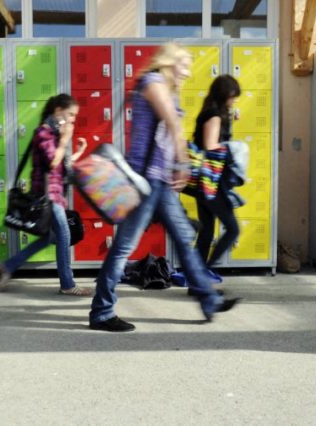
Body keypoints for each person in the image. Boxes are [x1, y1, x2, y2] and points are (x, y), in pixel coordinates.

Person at [89, 43, 240, 332]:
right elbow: (171, 122)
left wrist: (177, 168)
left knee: (184, 239)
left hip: (161, 183)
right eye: (184, 63)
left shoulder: (166, 88)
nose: (188, 70)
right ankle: (101, 312)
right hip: (145, 182)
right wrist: (184, 163)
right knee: (123, 248)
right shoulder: (153, 81)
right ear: (169, 62)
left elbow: (168, 136)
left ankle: (208, 300)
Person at [0, 94, 92, 296]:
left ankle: (9, 265)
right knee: (64, 235)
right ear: (58, 111)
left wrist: (78, 151)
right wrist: (65, 140)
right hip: (47, 195)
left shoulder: (57, 134)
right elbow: (52, 162)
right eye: (71, 115)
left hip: (56, 194)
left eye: (75, 116)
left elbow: (63, 165)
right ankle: (67, 285)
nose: (73, 120)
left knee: (50, 237)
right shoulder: (43, 133)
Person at [193, 75, 242, 278]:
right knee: (232, 229)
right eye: (233, 97)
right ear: (225, 95)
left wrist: (229, 120)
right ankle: (205, 273)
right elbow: (211, 146)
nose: (234, 100)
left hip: (203, 183)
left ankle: (197, 280)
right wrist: (235, 149)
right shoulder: (214, 116)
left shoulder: (210, 113)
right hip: (211, 183)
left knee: (206, 233)